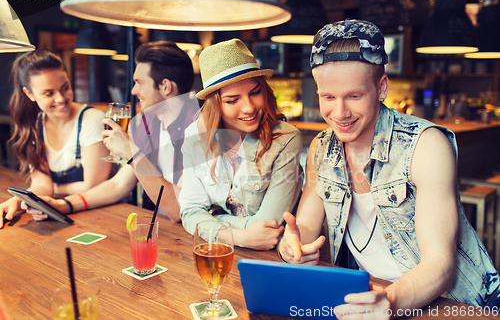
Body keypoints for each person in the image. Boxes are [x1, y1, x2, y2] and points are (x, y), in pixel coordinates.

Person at [279, 19, 500, 318]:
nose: (340, 113)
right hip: (370, 297)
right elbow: (304, 225)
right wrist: (292, 245)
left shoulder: (426, 146)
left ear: (381, 87)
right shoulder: (321, 147)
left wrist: (390, 300)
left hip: (453, 305)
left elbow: (440, 265)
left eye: (354, 96)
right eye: (328, 97)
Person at [23, 41, 198, 222]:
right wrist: (65, 205)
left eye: (139, 82)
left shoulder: (199, 131)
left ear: (166, 87)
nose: (134, 90)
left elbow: (179, 210)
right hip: (162, 228)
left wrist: (132, 154)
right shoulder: (151, 126)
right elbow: (118, 185)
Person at [179, 38, 303, 250]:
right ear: (214, 104)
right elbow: (190, 212)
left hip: (271, 258)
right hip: (222, 251)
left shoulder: (285, 140)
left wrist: (212, 216)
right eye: (232, 100)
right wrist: (238, 236)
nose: (248, 108)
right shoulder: (195, 137)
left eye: (255, 92)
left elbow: (267, 226)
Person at [0, 50, 111, 228]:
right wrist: (17, 201)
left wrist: (54, 188)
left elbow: (92, 186)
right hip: (57, 213)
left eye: (65, 88)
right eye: (49, 93)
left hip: (101, 215)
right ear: (30, 94)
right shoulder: (36, 124)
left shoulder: (92, 120)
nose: (61, 98)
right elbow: (42, 185)